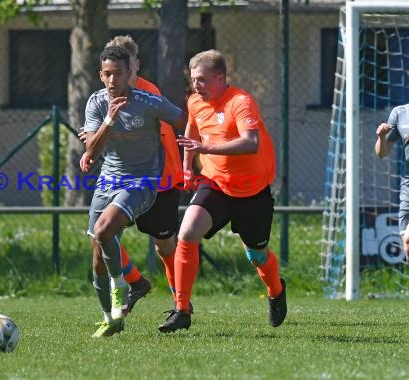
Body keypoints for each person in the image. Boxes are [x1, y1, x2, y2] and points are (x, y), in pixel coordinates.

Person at [158, 49, 287, 333]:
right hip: (216, 183)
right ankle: (182, 309)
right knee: (187, 232)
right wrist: (187, 166)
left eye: (202, 79)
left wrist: (206, 148)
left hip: (253, 191)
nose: (196, 86)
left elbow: (250, 142)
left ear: (220, 77)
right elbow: (191, 131)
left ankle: (276, 291)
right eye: (193, 79)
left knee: (257, 254)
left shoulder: (240, 102)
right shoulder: (195, 102)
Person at [83, 45, 187, 338]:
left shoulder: (148, 101)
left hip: (143, 181)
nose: (113, 80)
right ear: (100, 76)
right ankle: (110, 317)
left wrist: (196, 155)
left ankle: (123, 285)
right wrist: (109, 121)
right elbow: (92, 148)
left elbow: (184, 122)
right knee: (96, 255)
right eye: (107, 74)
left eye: (118, 73)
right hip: (108, 180)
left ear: (131, 73)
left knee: (104, 231)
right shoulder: (96, 104)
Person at [375, 104, 409, 260]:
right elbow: (382, 152)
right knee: (407, 242)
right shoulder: (400, 112)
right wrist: (381, 137)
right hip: (408, 184)